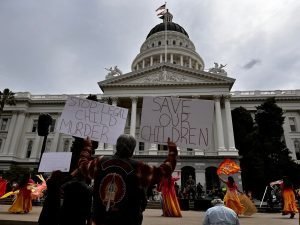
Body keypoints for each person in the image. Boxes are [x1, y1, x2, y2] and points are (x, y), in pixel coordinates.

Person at [77, 134, 178, 225]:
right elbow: (164, 171)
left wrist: (87, 147)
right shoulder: (139, 167)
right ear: (133, 150)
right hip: (128, 220)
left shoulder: (99, 162)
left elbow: (82, 165)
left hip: (100, 219)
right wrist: (172, 151)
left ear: (116, 146)